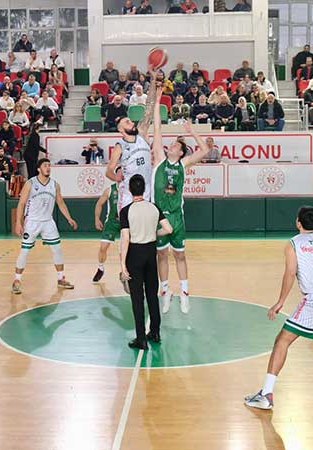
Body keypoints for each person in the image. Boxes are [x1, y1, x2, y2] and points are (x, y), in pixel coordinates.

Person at [244, 206, 313, 409]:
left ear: (298, 222)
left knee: (282, 340)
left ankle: (266, 394)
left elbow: (290, 273)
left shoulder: (293, 243)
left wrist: (280, 301)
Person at [153, 112, 211, 314]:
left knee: (180, 255)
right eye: (171, 144)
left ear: (180, 153)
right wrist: (157, 102)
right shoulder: (159, 160)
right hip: (160, 217)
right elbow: (157, 129)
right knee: (161, 255)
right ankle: (165, 291)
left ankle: (184, 293)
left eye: (175, 145)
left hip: (177, 217)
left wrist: (191, 131)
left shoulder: (182, 164)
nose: (171, 145)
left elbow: (205, 150)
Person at [119, 174, 173, 349]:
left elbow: (125, 238)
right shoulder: (154, 207)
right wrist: (154, 233)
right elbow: (169, 229)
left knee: (137, 298)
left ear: (130, 189)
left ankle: (141, 338)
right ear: (144, 189)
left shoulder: (126, 211)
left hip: (134, 254)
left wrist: (123, 264)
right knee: (152, 294)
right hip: (151, 253)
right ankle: (155, 332)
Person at [12, 159, 78, 293]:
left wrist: (69, 218)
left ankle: (61, 279)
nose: (48, 168)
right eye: (45, 166)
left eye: (49, 165)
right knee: (25, 251)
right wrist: (18, 222)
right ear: (38, 169)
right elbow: (21, 204)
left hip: (48, 221)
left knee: (57, 250)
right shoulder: (30, 183)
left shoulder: (55, 184)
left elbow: (61, 203)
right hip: (32, 222)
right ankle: (17, 280)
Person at [106, 75, 158, 210]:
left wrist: (152, 81)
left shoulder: (141, 133)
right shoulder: (120, 146)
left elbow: (149, 108)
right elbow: (108, 171)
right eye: (127, 122)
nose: (132, 123)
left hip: (147, 191)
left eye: (130, 121)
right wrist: (118, 179)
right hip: (129, 194)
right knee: (128, 223)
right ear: (120, 129)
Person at [92, 166, 123, 283]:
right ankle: (100, 268)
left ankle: (125, 271)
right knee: (103, 247)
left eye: (122, 173)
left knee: (124, 250)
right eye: (118, 172)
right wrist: (97, 219)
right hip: (112, 221)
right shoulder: (110, 190)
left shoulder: (129, 189)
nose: (120, 175)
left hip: (126, 221)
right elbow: (99, 204)